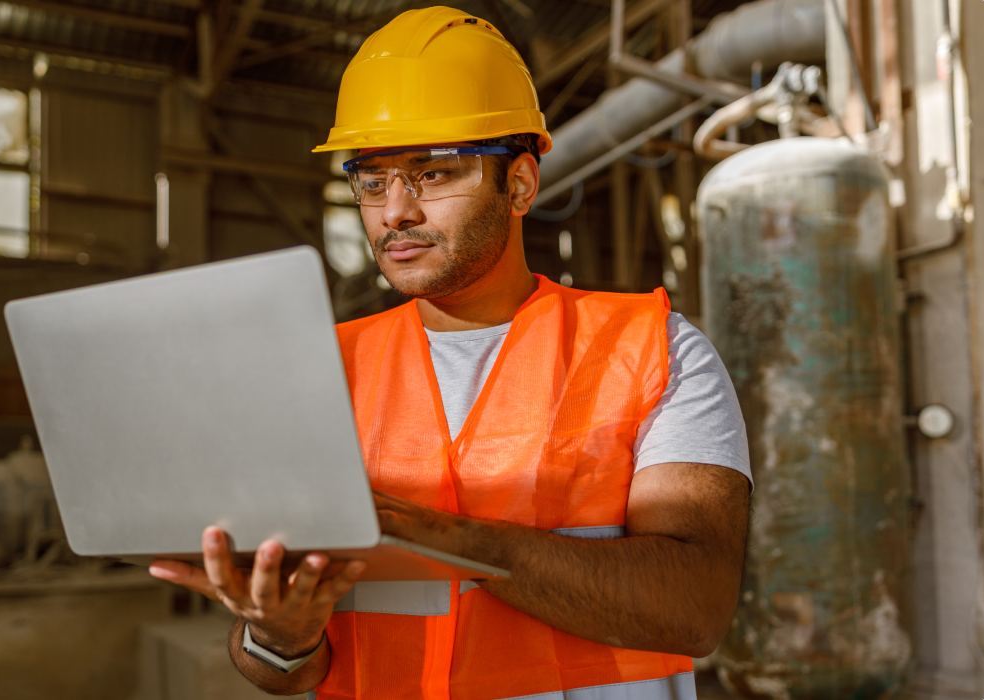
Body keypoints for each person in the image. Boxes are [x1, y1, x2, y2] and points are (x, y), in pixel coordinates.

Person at [149, 7, 751, 699]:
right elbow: (283, 669)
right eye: (372, 181)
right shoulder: (317, 372)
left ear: (520, 184)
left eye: (433, 174)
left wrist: (434, 537)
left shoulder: (652, 350)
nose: (395, 211)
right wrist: (279, 636)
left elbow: (695, 609)